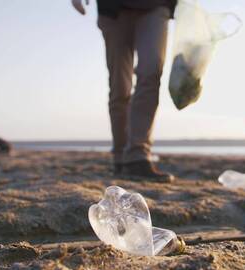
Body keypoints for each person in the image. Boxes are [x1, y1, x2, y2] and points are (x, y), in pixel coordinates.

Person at [72, 0, 177, 183]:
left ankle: (138, 155)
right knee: (120, 85)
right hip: (113, 9)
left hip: (156, 6)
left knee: (151, 72)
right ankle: (120, 157)